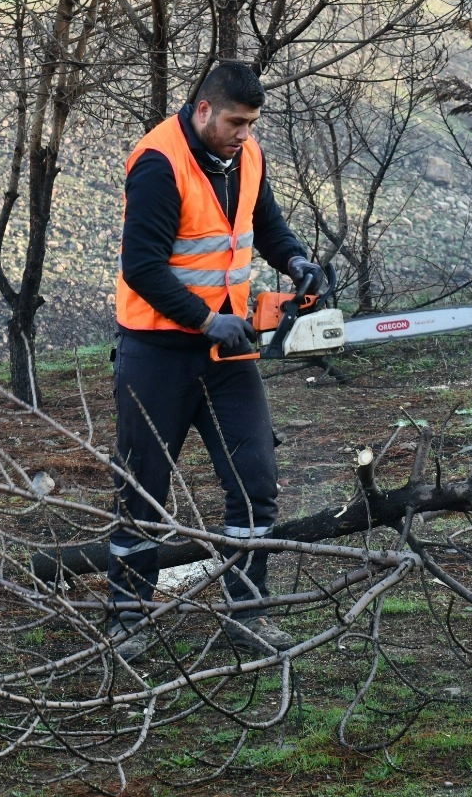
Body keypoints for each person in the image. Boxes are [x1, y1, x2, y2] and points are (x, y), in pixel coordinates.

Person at [109, 61, 327, 663]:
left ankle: (247, 612)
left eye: (252, 124)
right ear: (204, 110)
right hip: (157, 353)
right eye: (236, 122)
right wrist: (206, 319)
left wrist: (298, 262)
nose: (244, 134)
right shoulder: (159, 162)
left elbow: (268, 226)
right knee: (141, 488)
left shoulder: (247, 157)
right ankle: (127, 612)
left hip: (228, 353)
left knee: (256, 479)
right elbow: (142, 268)